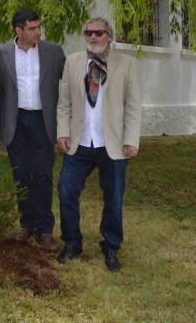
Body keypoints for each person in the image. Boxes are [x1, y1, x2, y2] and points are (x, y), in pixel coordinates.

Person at [56, 17, 141, 272]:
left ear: (109, 37)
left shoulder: (126, 64)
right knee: (66, 191)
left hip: (111, 144)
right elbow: (64, 102)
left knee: (113, 197)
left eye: (98, 33)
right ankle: (72, 242)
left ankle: (111, 246)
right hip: (80, 142)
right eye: (88, 33)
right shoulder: (72, 62)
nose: (93, 37)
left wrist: (131, 139)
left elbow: (133, 106)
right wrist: (62, 131)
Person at [0, 8, 65, 251]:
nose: (38, 32)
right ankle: (27, 224)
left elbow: (66, 85)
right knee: (21, 175)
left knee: (43, 175)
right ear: (18, 30)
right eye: (32, 28)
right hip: (15, 122)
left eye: (38, 27)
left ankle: (45, 229)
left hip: (43, 121)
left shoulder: (53, 51)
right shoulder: (1, 53)